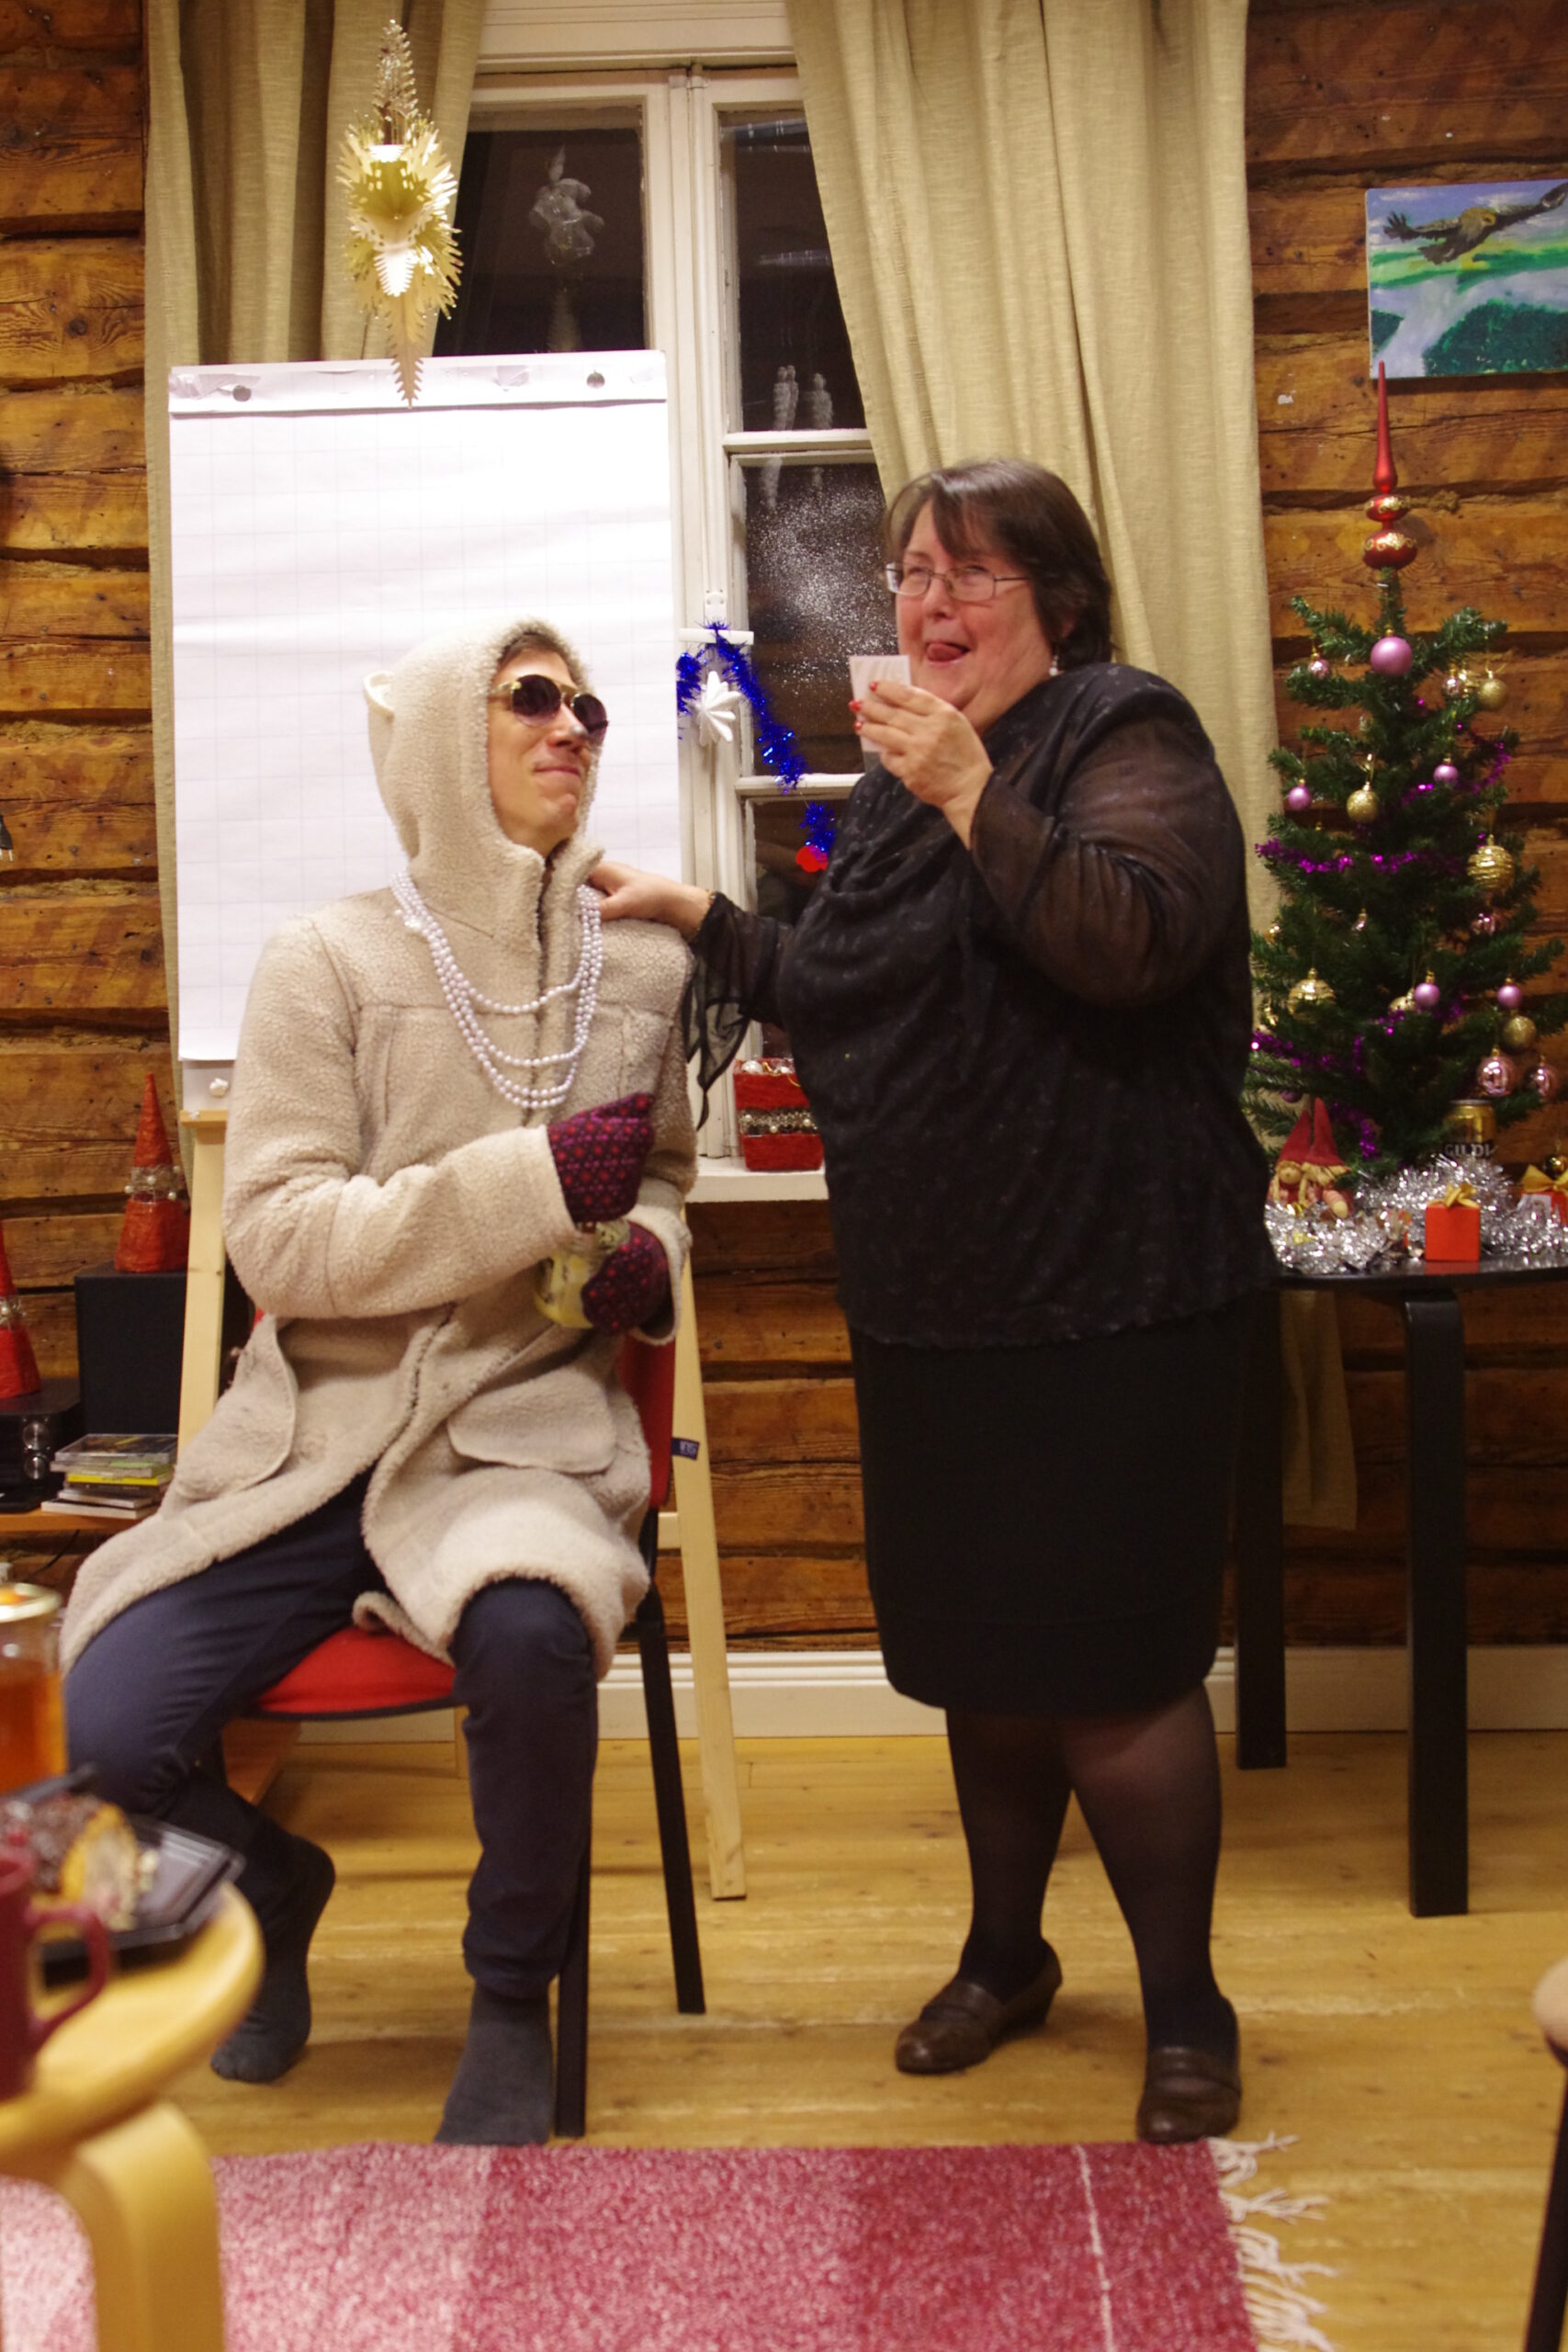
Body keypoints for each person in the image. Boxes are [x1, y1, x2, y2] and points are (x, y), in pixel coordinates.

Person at [592, 458, 1274, 2143]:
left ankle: (1187, 2009)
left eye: (971, 572)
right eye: (909, 573)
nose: (930, 603)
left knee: (1116, 1672)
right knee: (986, 1659)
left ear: (1059, 598)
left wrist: (975, 789)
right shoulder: (909, 785)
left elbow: (1131, 940)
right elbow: (843, 981)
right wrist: (702, 916)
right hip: (940, 1302)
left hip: (1118, 1295)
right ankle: (1005, 1956)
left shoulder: (1124, 730)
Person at [63, 616, 695, 2145]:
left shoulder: (646, 967)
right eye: (530, 698)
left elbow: (667, 1183)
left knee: (534, 1639)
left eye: (588, 705)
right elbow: (279, 1240)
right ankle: (266, 1888)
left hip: (514, 1442)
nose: (573, 726)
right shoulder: (325, 960)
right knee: (104, 1732)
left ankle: (509, 1997)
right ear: (435, 740)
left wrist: (646, 1258)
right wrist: (527, 1187)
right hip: (313, 1447)